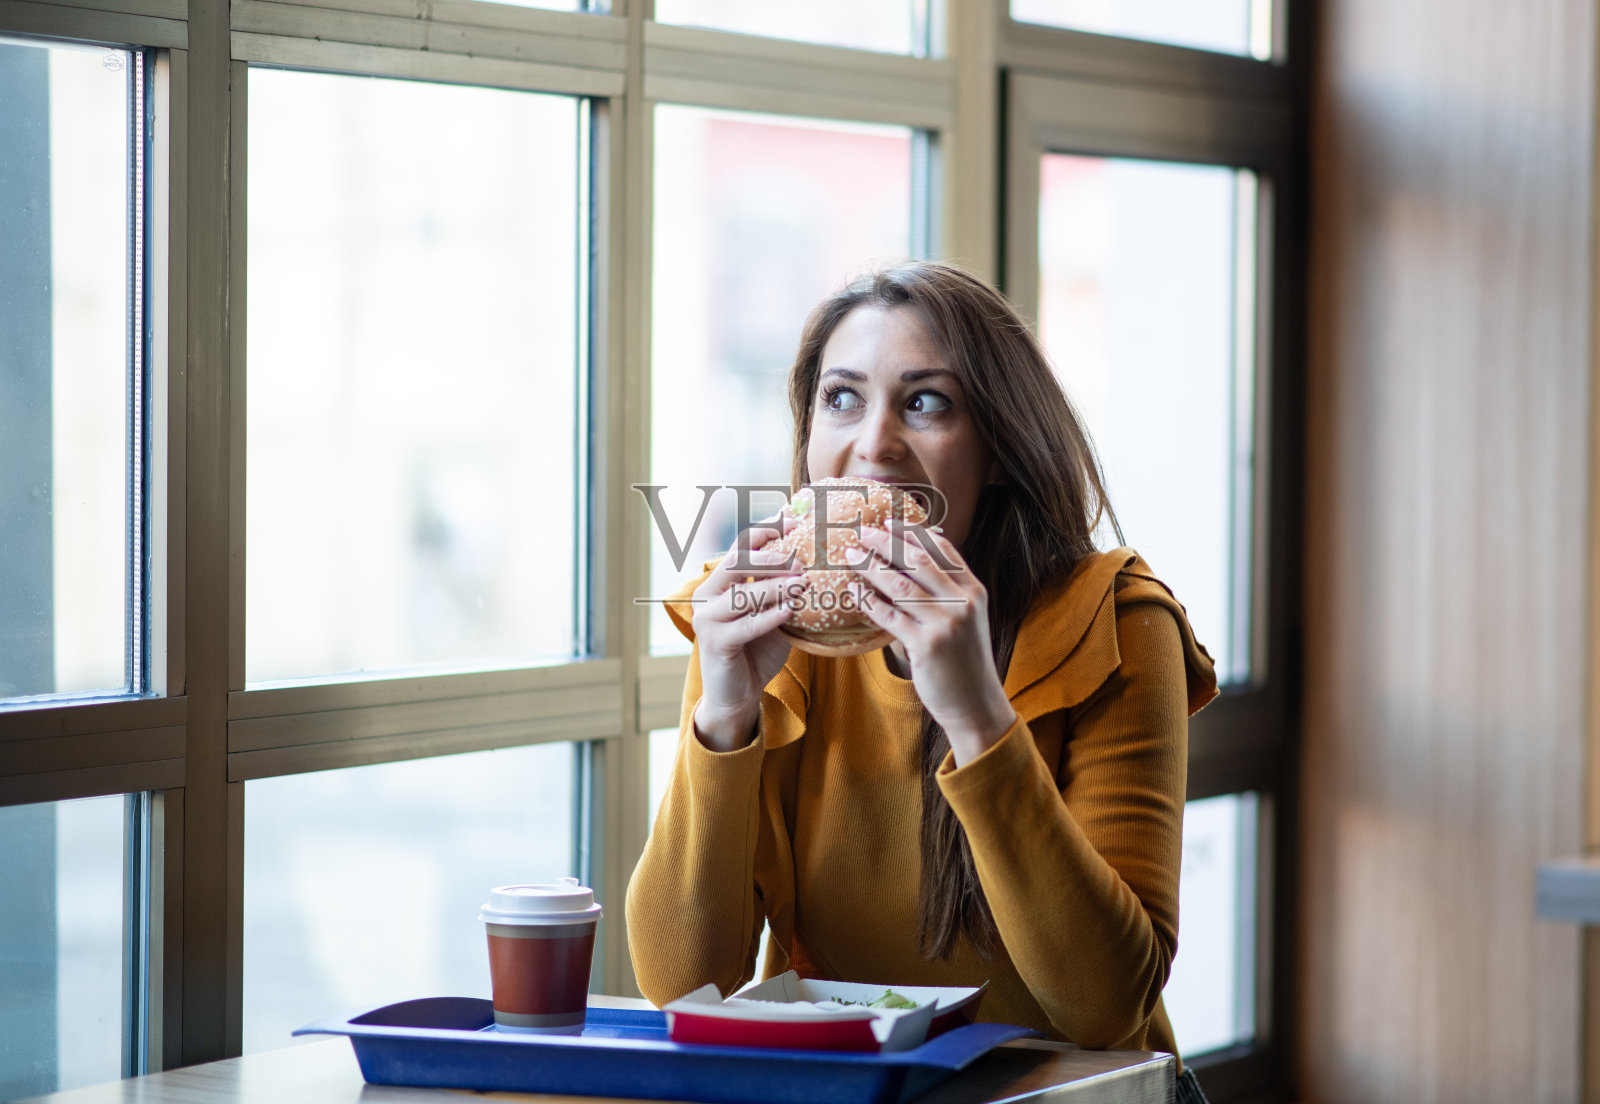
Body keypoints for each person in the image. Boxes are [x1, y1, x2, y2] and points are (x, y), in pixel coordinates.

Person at [626, 261, 1218, 1096]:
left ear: (1001, 448)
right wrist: (725, 716)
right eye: (842, 398)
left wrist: (978, 714)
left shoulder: (1115, 623)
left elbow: (1102, 1007)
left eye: (925, 402)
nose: (874, 446)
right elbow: (682, 984)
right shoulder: (757, 624)